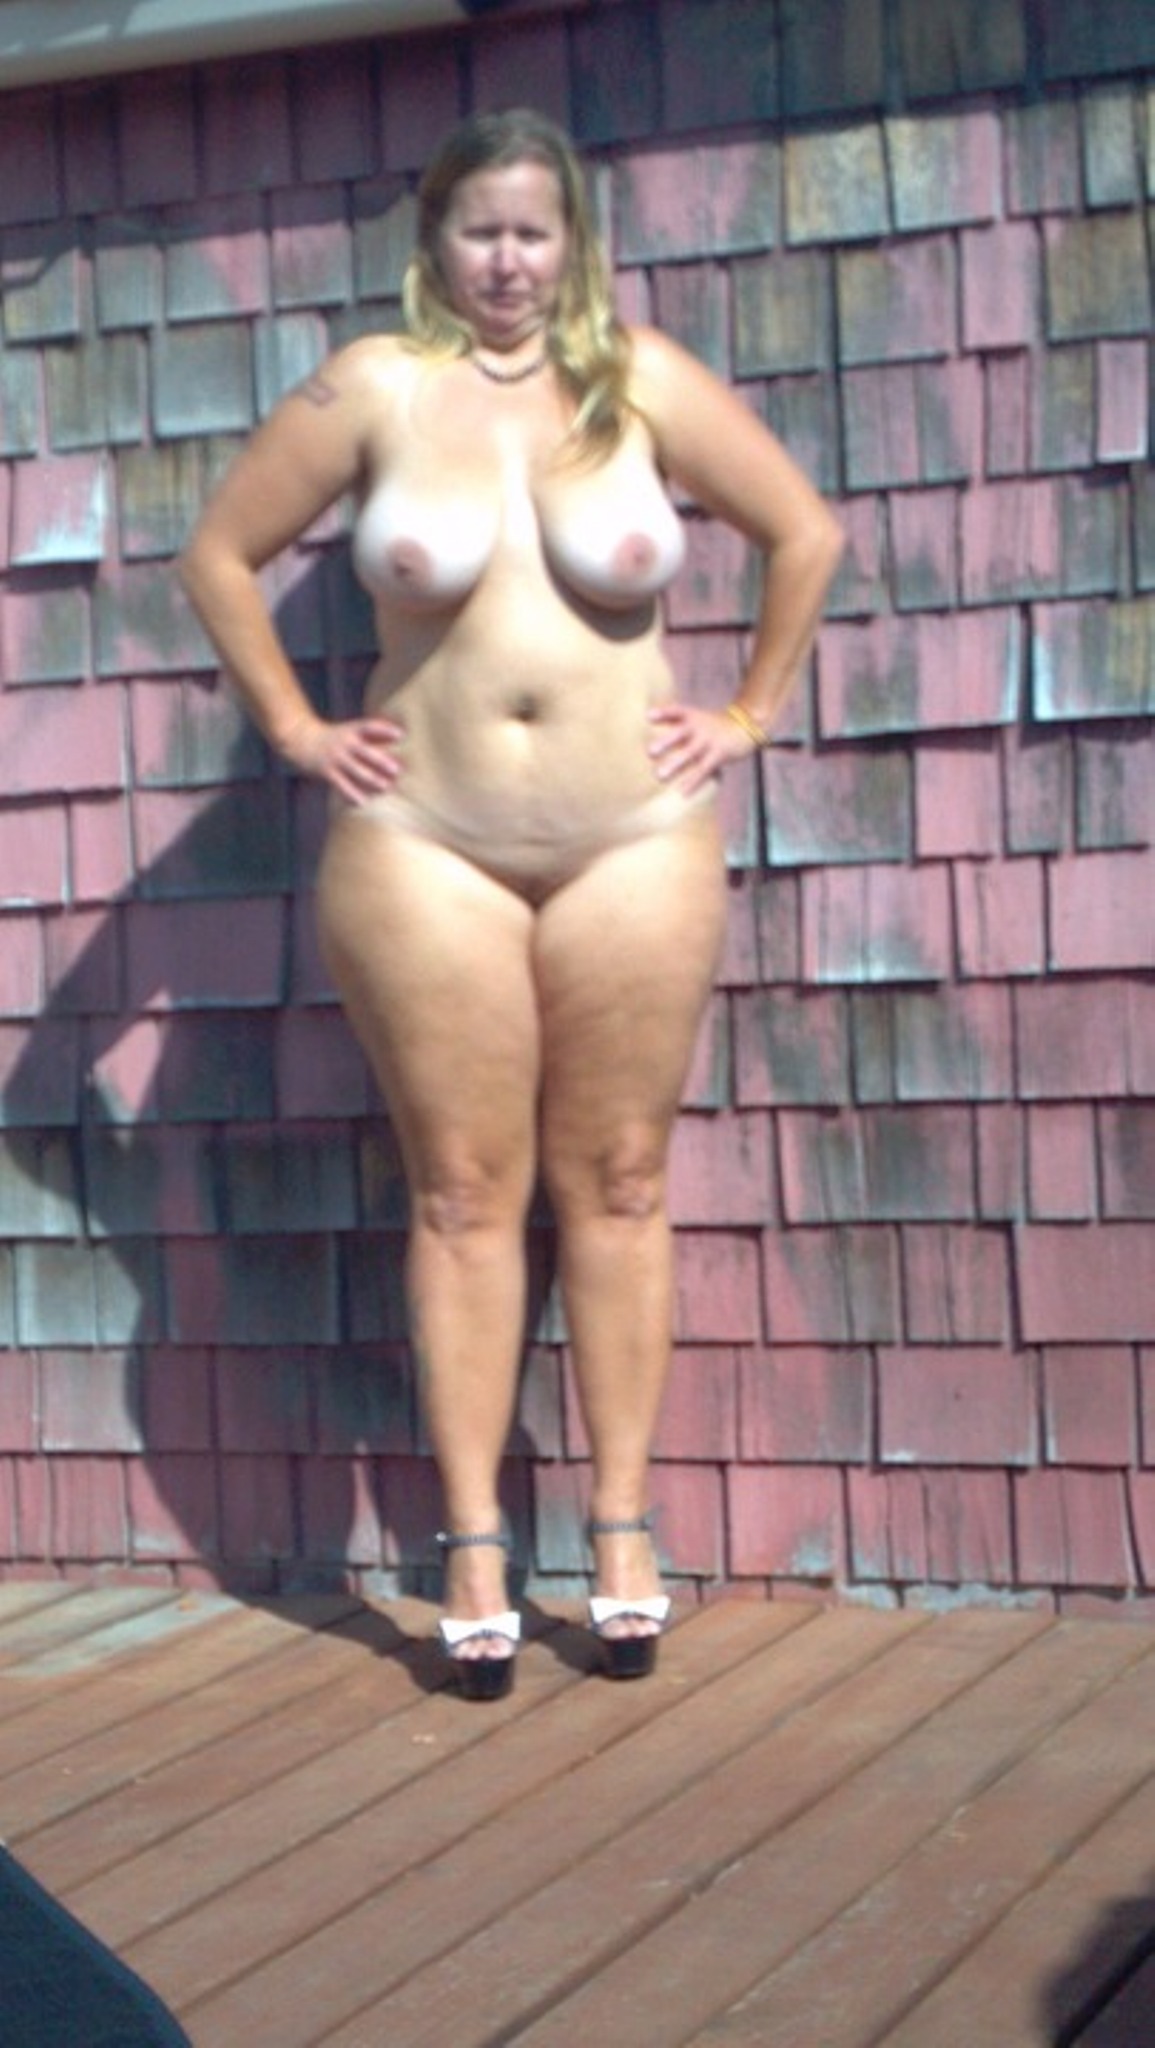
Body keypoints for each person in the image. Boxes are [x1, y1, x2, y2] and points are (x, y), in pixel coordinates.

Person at [179, 107, 842, 1701]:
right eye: (479, 229)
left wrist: (746, 715)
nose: (507, 260)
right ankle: (474, 1546)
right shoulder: (375, 388)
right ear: (437, 241)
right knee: (464, 1192)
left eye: (534, 231)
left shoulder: (643, 383)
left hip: (634, 835)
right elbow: (218, 554)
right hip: (426, 844)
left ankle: (620, 1529)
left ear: (573, 243)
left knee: (620, 1179)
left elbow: (804, 531)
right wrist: (297, 730)